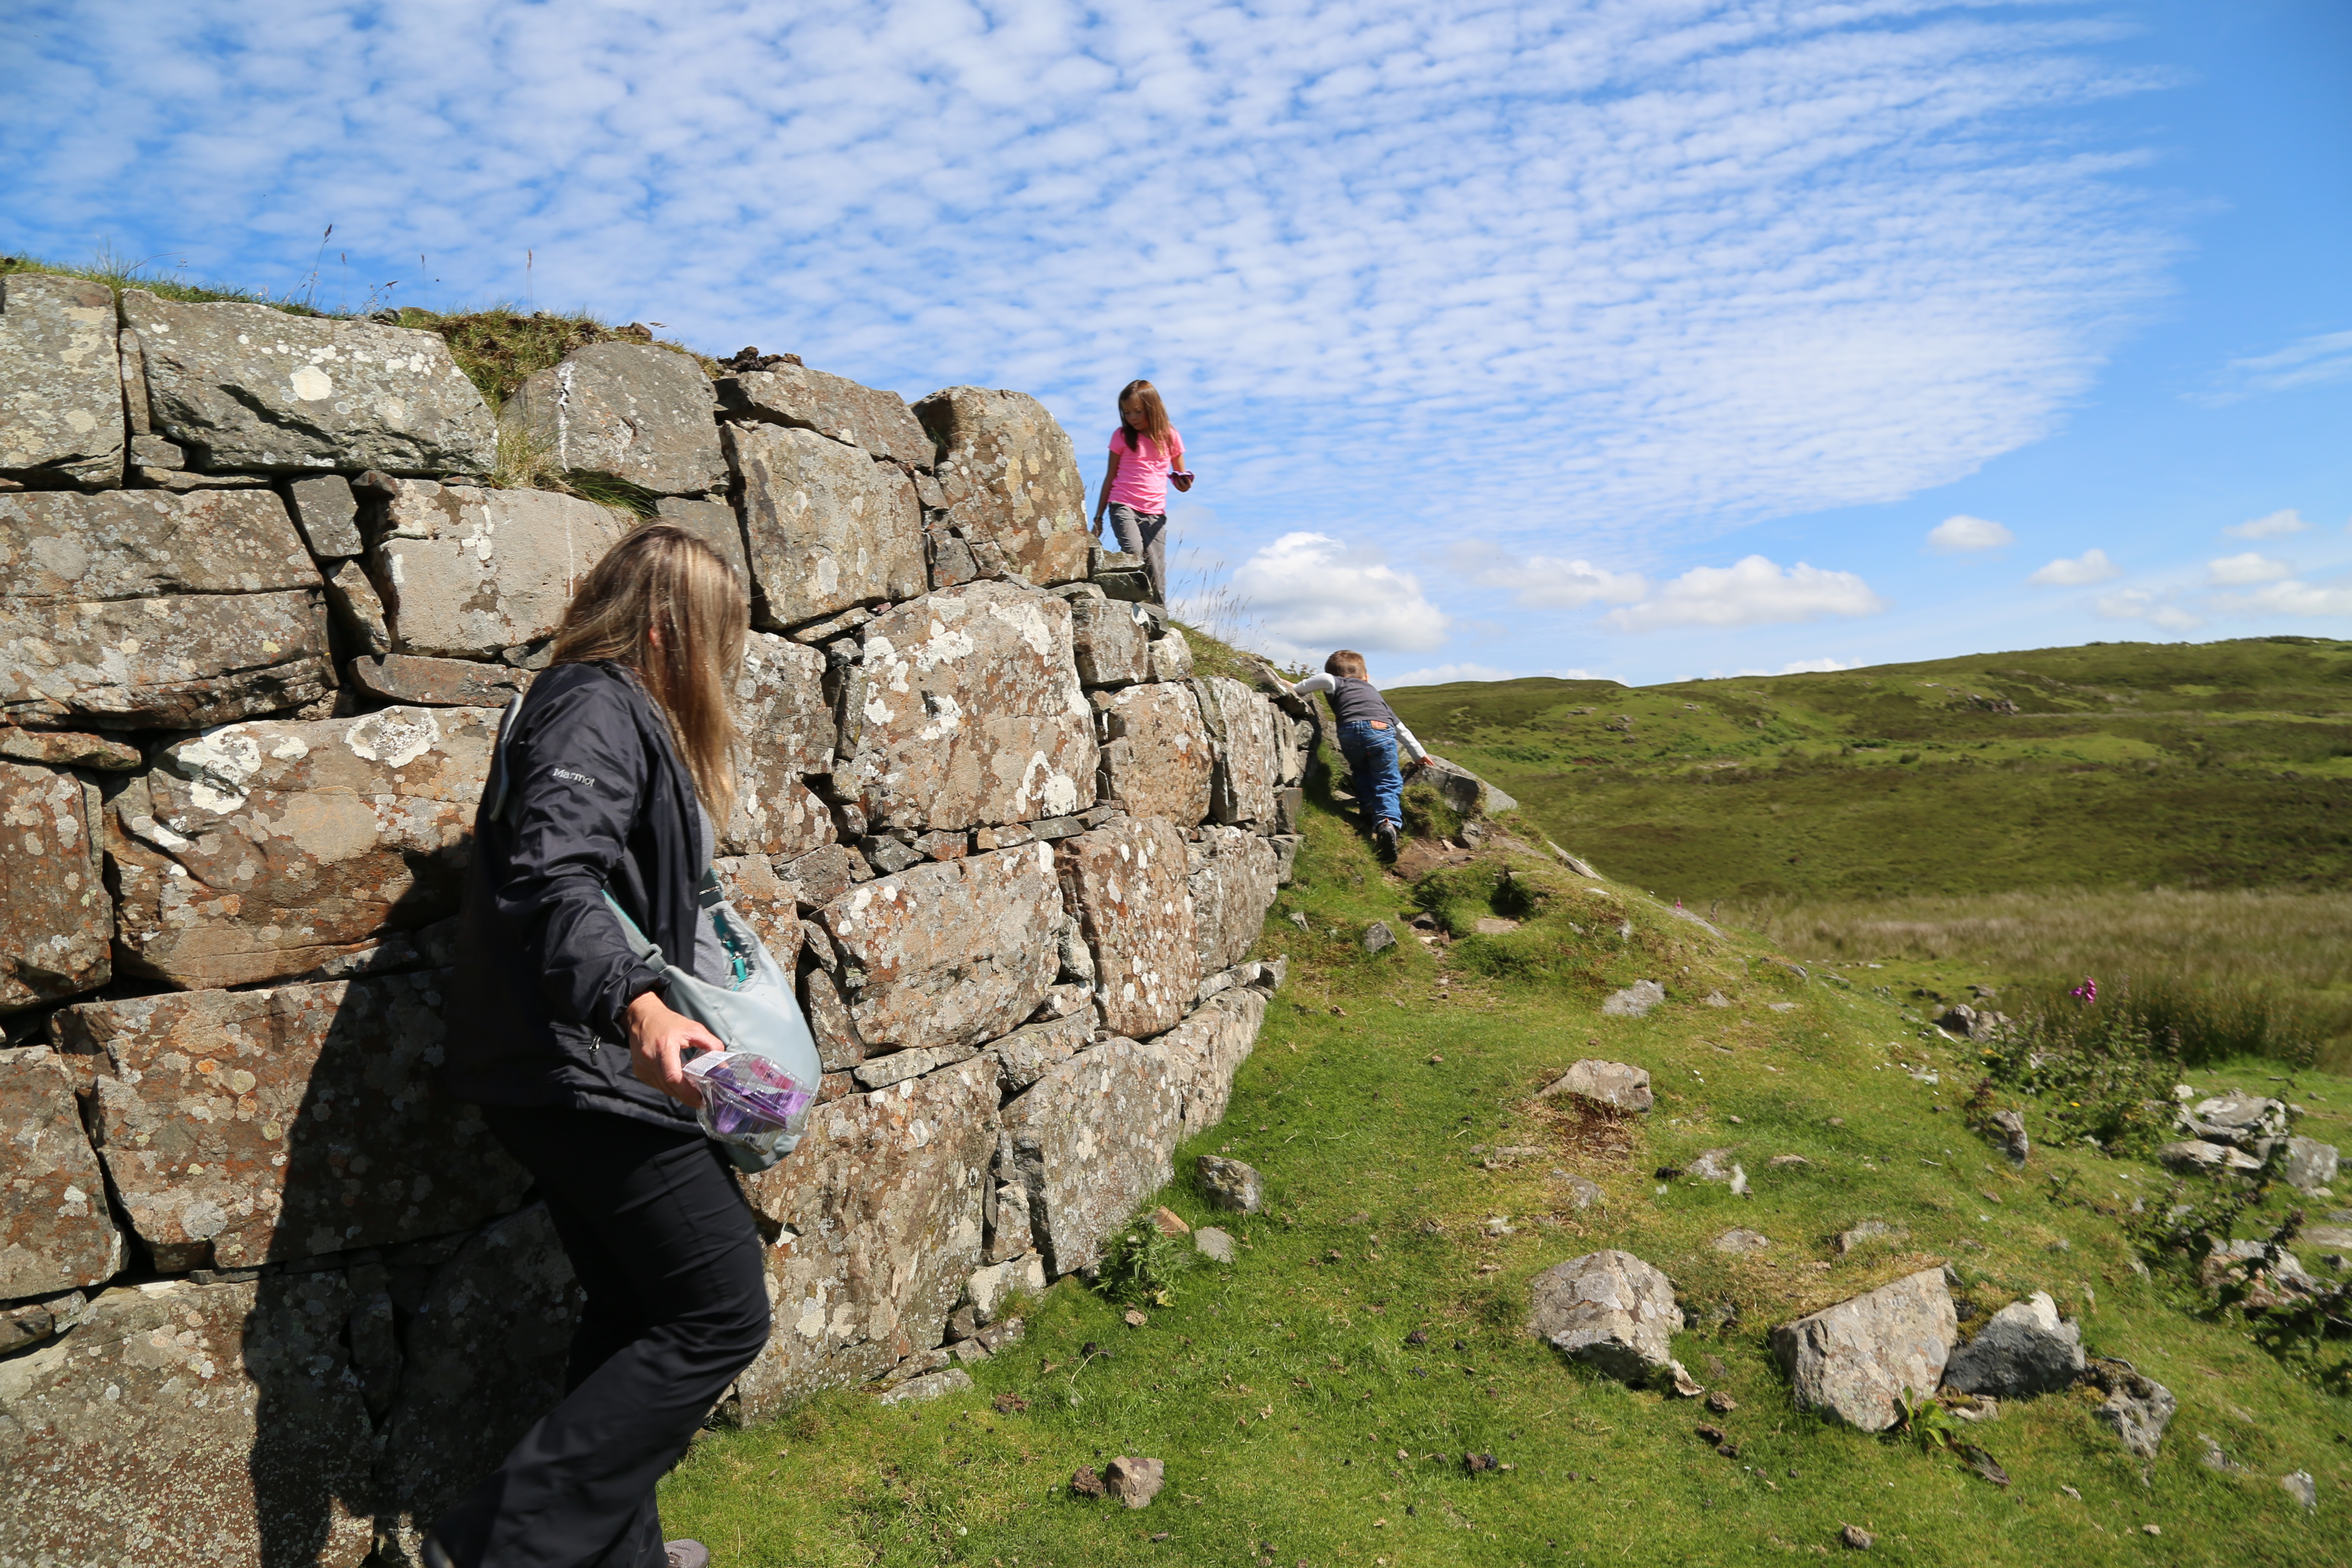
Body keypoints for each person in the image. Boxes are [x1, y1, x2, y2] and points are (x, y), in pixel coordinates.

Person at [428, 524, 771, 1568]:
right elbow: (555, 878)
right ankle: (494, 1552)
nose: (723, 660)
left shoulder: (604, 708)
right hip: (585, 1070)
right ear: (668, 626)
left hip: (566, 1068)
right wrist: (639, 1004)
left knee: (636, 1307)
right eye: (717, 634)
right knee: (718, 1310)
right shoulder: (593, 706)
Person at [1268, 650, 1433, 861]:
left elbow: (1325, 679)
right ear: (1366, 677)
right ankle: (1387, 822)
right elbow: (1401, 729)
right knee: (1388, 779)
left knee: (1361, 771)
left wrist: (1297, 688)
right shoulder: (1376, 696)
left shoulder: (1335, 682)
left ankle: (1368, 811)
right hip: (1380, 731)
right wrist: (1419, 754)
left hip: (1348, 734)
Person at [1091, 378, 1191, 604]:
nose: (1132, 417)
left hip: (1155, 513)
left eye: (1138, 411)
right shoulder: (1122, 436)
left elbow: (1180, 477)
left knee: (1156, 570)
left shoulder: (1171, 437)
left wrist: (1184, 484)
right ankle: (1132, 605)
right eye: (1127, 412)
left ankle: (1157, 620)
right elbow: (1110, 476)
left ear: (1152, 409)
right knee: (1134, 555)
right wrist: (1099, 517)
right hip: (1122, 505)